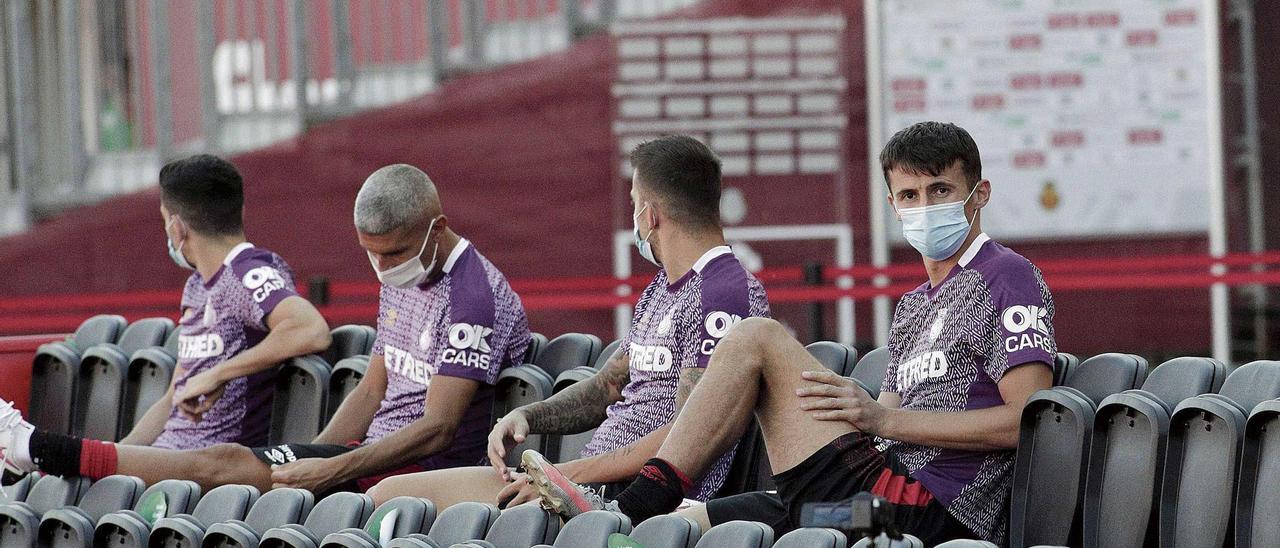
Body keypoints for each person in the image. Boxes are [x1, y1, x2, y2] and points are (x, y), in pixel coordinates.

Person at [523, 122, 1056, 545]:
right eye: (910, 195)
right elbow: (887, 427)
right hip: (868, 504)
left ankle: (636, 502)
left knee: (756, 337)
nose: (923, 207)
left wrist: (879, 417)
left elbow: (1024, 419)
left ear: (979, 194)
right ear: (892, 205)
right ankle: (630, 527)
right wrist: (865, 419)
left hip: (937, 514)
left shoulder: (1006, 276)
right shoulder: (914, 304)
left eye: (940, 191)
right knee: (690, 524)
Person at [1, 163, 530, 495]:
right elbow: (374, 386)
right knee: (225, 469)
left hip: (417, 474)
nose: (383, 268)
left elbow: (437, 429)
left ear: (436, 228)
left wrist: (333, 469)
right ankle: (42, 457)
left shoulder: (472, 299)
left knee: (220, 464)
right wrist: (314, 454)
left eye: (391, 253)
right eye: (370, 254)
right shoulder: (405, 267)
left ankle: (40, 449)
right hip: (363, 457)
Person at [367, 135, 771, 511]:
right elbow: (608, 387)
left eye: (633, 203)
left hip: (635, 502)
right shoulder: (662, 288)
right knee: (386, 496)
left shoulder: (725, 295)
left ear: (650, 215)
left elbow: (691, 434)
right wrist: (528, 416)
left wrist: (569, 475)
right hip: (580, 485)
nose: (634, 217)